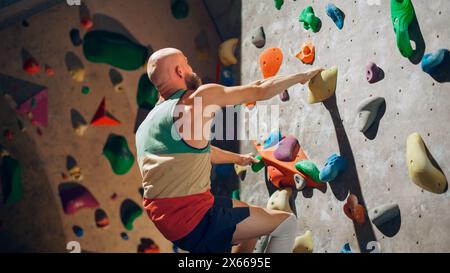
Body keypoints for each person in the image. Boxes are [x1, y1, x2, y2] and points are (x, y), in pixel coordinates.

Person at [136, 47, 323, 253]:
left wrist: (239, 158)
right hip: (195, 218)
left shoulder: (145, 128)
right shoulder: (196, 99)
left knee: (251, 230)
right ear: (180, 71)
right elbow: (259, 89)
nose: (191, 68)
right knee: (285, 224)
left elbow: (198, 152)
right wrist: (301, 76)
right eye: (187, 63)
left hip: (170, 225)